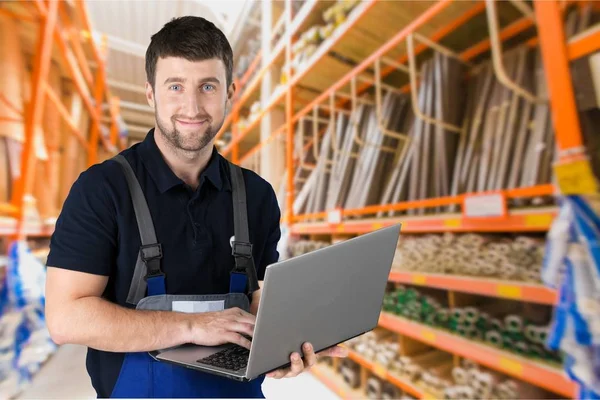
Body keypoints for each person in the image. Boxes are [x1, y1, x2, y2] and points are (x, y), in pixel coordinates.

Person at [44, 16, 347, 398]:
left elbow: (258, 299)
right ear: (151, 93)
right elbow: (65, 318)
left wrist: (284, 344)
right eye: (175, 86)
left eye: (208, 86)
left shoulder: (257, 196)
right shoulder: (102, 189)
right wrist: (191, 326)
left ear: (229, 93)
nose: (192, 106)